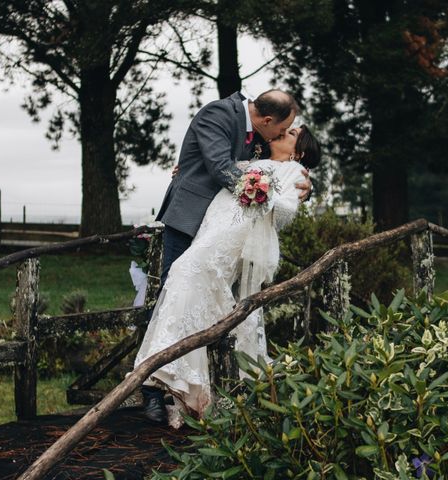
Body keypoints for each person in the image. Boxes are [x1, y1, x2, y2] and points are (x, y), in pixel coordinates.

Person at [135, 126, 321, 426]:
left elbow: (287, 212)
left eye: (290, 134)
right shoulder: (253, 160)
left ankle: (165, 376)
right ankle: (175, 380)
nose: (282, 133)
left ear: (298, 151)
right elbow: (220, 171)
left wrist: (264, 194)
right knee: (197, 295)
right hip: (211, 232)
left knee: (189, 280)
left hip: (232, 242)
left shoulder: (295, 172)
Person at [155, 90, 312, 288]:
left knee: (216, 291)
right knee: (174, 285)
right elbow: (221, 167)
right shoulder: (219, 113)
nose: (281, 134)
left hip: (222, 226)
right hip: (190, 214)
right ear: (267, 120)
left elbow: (277, 166)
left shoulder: (262, 134)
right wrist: (265, 193)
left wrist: (305, 188)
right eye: (283, 129)